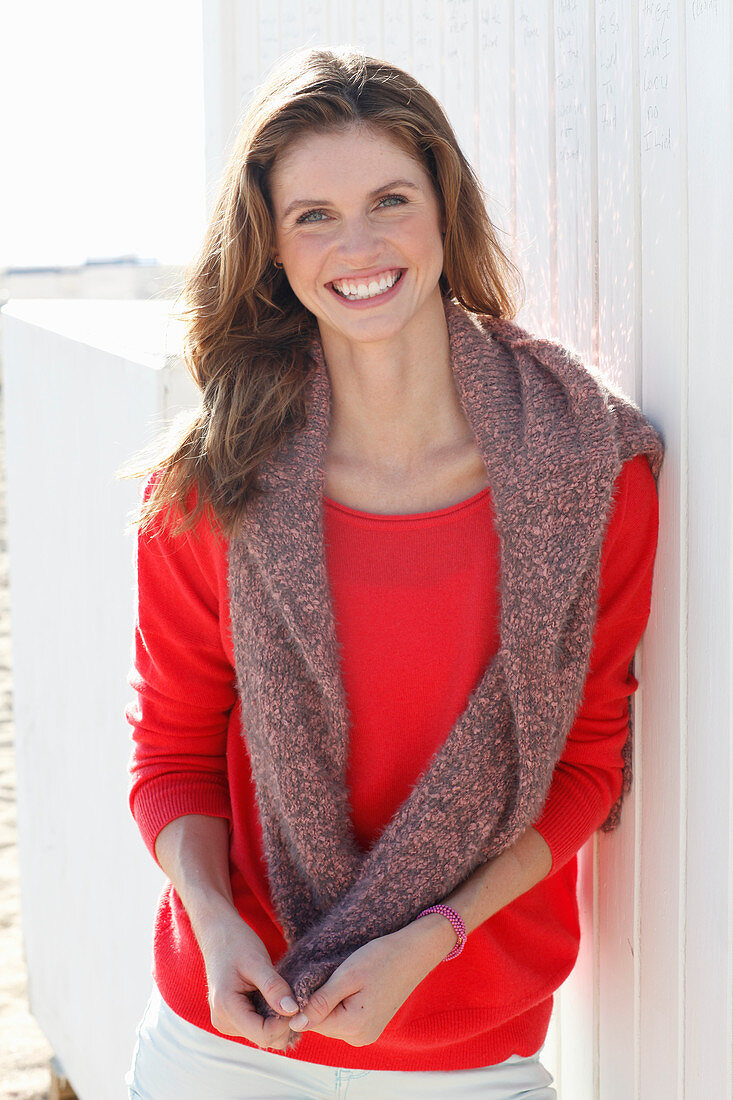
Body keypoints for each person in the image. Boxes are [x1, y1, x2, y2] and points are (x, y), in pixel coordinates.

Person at [122, 45, 664, 1100]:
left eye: (388, 199)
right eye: (312, 215)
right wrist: (214, 917)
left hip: (468, 1047)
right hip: (227, 1037)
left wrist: (432, 935)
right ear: (271, 249)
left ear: (443, 211)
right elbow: (172, 753)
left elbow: (587, 765)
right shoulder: (212, 485)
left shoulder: (591, 469)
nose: (357, 244)